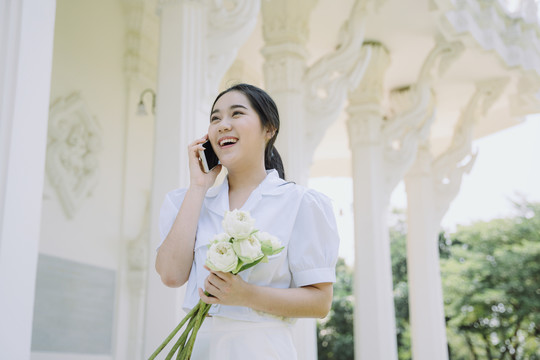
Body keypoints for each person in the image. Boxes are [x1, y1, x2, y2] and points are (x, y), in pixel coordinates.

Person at [155, 83, 340, 359]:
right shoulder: (186, 201)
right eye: (215, 118)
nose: (222, 125)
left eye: (236, 114)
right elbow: (170, 275)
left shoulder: (301, 203)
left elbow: (320, 302)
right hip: (200, 348)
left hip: (263, 348)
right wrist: (198, 186)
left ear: (269, 129)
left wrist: (245, 295)